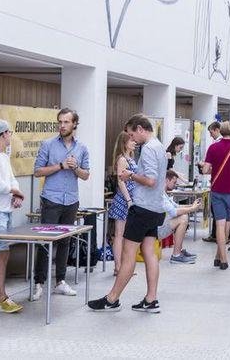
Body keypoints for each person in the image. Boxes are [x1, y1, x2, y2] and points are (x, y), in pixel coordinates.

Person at [88, 114, 169, 313]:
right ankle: (151, 299)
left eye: (133, 134)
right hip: (155, 208)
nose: (132, 139)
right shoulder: (159, 146)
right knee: (149, 253)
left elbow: (150, 180)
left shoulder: (149, 149)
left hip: (142, 208)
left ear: (141, 129)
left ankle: (112, 298)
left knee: (128, 255)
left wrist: (130, 175)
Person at [31, 108, 90, 301]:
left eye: (66, 122)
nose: (62, 125)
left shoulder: (82, 148)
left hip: (71, 199)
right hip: (51, 199)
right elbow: (38, 171)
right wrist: (61, 166)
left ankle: (60, 281)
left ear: (74, 124)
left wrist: (75, 168)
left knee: (65, 240)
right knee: (45, 241)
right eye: (60, 122)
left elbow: (86, 175)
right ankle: (39, 283)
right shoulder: (48, 144)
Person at [0, 120, 26, 313]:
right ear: (2, 135)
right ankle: (2, 297)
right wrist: (15, 192)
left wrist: (16, 193)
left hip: (4, 209)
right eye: (9, 132)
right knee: (1, 252)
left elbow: (11, 179)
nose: (11, 135)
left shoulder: (3, 156)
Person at [200, 121, 230, 270]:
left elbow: (205, 170)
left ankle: (221, 257)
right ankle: (222, 257)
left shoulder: (213, 147)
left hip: (217, 189)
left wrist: (213, 169)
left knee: (220, 224)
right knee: (227, 224)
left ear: (220, 131)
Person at [107, 131, 137, 276]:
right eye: (131, 141)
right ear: (124, 143)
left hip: (130, 198)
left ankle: (123, 266)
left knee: (125, 235)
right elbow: (121, 181)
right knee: (119, 234)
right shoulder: (122, 159)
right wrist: (128, 200)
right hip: (124, 200)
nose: (134, 143)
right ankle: (118, 266)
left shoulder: (130, 158)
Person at [161, 170, 200, 264]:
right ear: (166, 180)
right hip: (157, 229)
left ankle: (179, 251)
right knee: (183, 218)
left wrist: (192, 206)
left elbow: (176, 206)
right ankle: (176, 255)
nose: (175, 185)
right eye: (174, 182)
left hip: (160, 225)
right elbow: (174, 212)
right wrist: (192, 209)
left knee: (183, 215)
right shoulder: (160, 195)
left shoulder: (163, 193)